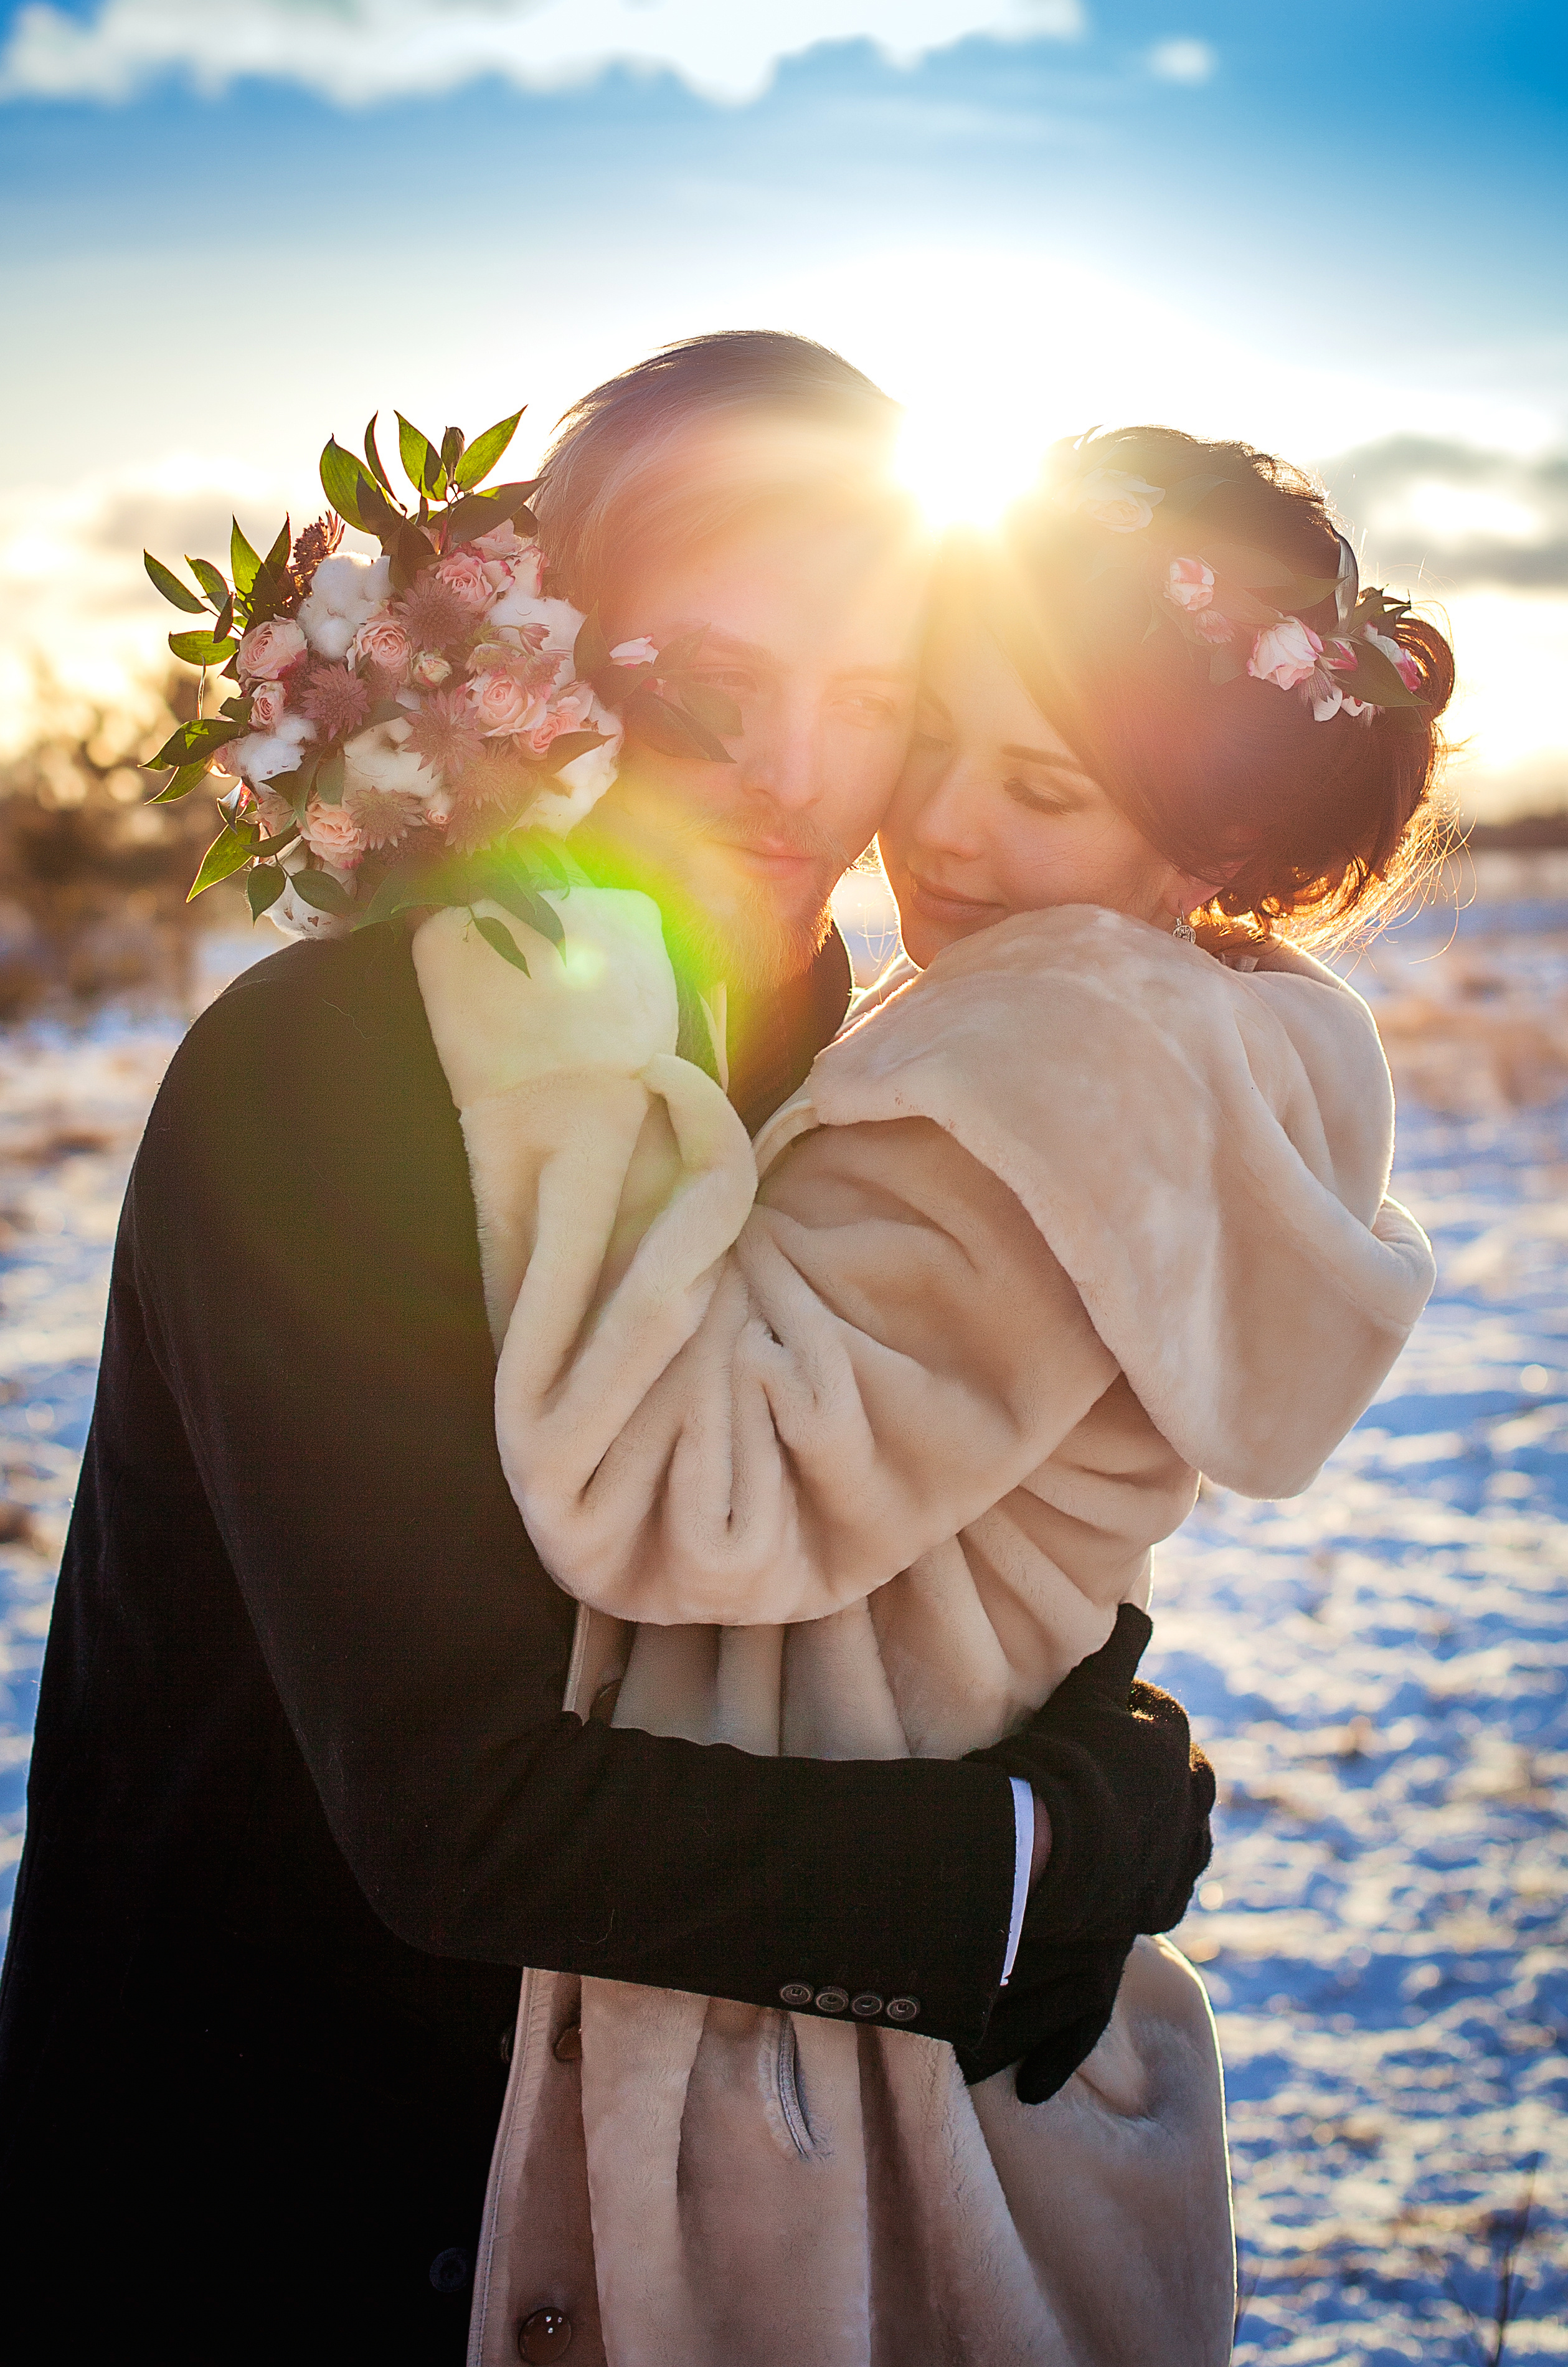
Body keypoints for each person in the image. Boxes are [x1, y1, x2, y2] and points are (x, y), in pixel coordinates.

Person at [0, 341, 1214, 2366]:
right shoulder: (336, 1074)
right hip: (274, 2198)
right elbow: (457, 1818)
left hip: (702, 2229)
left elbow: (905, 1524)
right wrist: (1015, 1870)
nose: (795, 773)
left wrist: (1105, 1720)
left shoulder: (873, 1054)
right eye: (703, 685)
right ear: (547, 663)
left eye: (875, 703)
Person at [422, 424, 1450, 2363]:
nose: (947, 830)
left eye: (1044, 786)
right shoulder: (1188, 1040)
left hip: (818, 2056)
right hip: (912, 1961)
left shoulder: (1046, 1063)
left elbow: (687, 1499)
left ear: (1206, 847)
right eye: (940, 739)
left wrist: (567, 1067)